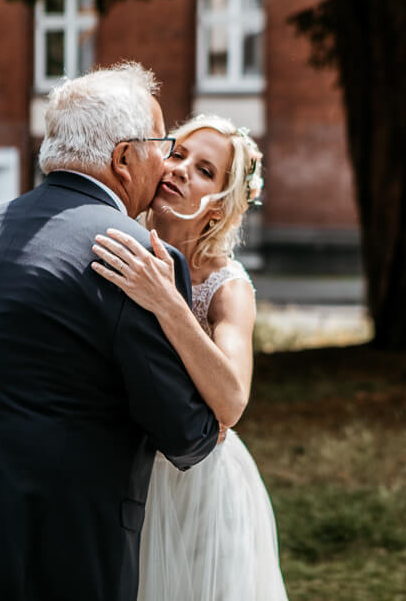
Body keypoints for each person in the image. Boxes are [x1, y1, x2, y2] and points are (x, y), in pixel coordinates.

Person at [0, 62, 221, 601]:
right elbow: (187, 433)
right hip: (56, 550)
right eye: (162, 143)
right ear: (123, 158)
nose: (168, 163)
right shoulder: (134, 256)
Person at [90, 114, 287, 600]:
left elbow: (232, 401)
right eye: (176, 154)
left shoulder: (228, 288)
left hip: (199, 487)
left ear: (218, 208)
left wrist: (167, 301)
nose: (180, 170)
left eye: (204, 170)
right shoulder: (111, 241)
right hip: (116, 468)